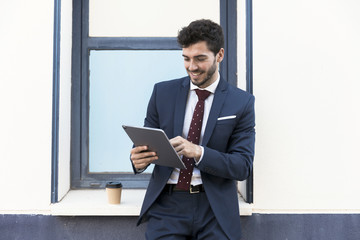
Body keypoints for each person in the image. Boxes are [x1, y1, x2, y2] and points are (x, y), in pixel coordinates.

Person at [130, 19, 255, 240]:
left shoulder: (241, 103)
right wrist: (138, 161)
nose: (192, 67)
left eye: (200, 59)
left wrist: (198, 152)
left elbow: (242, 166)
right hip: (168, 206)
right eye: (186, 59)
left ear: (220, 55)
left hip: (215, 208)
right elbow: (144, 144)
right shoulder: (162, 93)